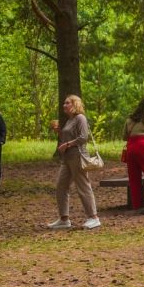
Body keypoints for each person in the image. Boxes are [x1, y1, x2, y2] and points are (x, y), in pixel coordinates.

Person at [47, 94, 100, 230]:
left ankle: (93, 218)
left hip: (78, 156)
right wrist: (59, 131)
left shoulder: (80, 118)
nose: (64, 105)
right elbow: (67, 137)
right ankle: (64, 219)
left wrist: (68, 144)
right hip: (67, 158)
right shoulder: (69, 120)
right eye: (64, 103)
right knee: (61, 186)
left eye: (67, 103)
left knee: (83, 186)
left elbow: (83, 137)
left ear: (75, 104)